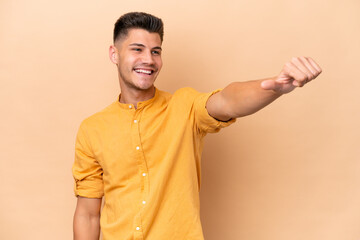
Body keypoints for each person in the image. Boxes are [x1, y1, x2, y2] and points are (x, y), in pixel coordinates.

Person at [72, 12, 322, 240]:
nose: (148, 60)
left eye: (156, 51)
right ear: (114, 54)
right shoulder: (92, 129)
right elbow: (88, 214)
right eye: (137, 49)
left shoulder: (184, 105)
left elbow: (226, 100)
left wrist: (274, 87)